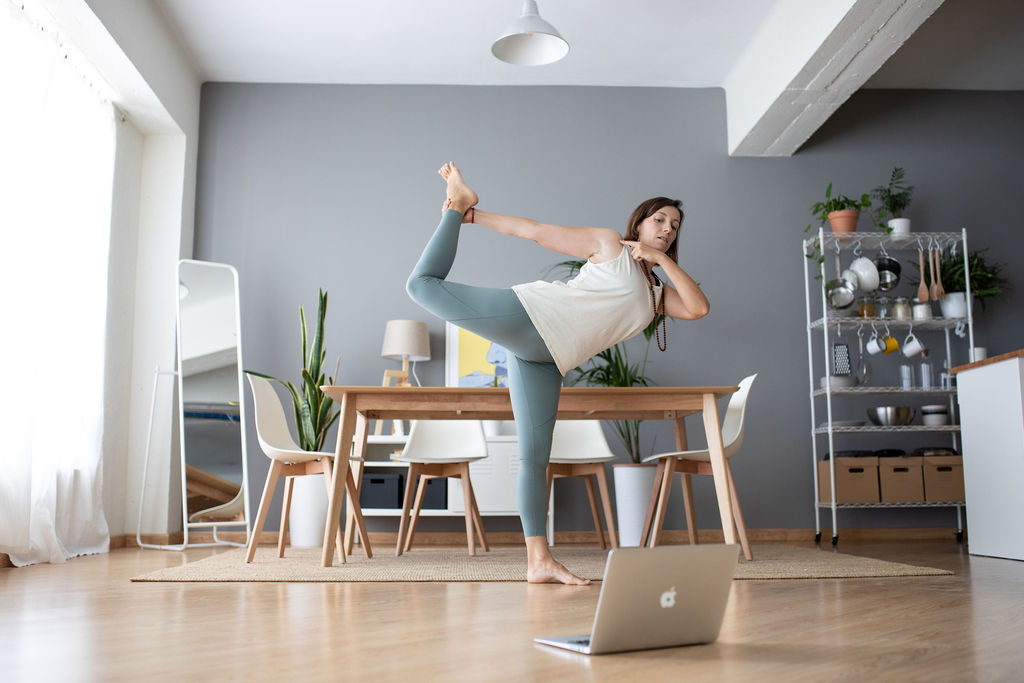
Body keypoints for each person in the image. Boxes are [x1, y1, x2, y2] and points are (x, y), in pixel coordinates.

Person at [406, 162, 710, 585]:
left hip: (548, 359)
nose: (666, 228)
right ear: (639, 223)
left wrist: (661, 260)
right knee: (421, 285)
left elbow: (697, 308)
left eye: (674, 226)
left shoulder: (657, 295)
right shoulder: (609, 246)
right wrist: (471, 215)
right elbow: (535, 231)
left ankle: (538, 561)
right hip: (533, 316)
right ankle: (457, 207)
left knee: (535, 457)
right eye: (659, 219)